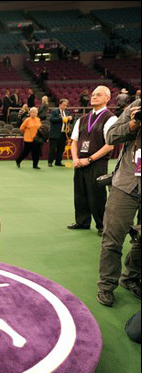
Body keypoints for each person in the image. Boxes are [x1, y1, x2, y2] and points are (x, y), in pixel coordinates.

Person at [96, 99, 140, 307]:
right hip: (126, 184)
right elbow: (111, 136)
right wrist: (133, 124)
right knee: (112, 238)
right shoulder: (137, 106)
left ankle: (131, 277)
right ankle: (106, 285)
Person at [68, 86, 117, 236]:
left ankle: (102, 226)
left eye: (98, 95)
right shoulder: (82, 118)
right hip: (80, 162)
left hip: (97, 163)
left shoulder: (111, 118)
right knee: (80, 194)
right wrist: (75, 159)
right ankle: (82, 221)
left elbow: (110, 145)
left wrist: (89, 159)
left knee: (97, 195)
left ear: (107, 98)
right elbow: (74, 141)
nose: (94, 97)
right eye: (93, 94)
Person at [48, 98, 71, 167]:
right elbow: (51, 119)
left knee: (61, 148)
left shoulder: (67, 112)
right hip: (55, 133)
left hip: (63, 133)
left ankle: (58, 161)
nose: (65, 107)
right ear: (60, 104)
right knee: (52, 148)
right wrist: (61, 119)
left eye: (66, 105)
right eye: (64, 105)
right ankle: (50, 162)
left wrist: (70, 119)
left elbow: (69, 122)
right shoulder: (54, 111)